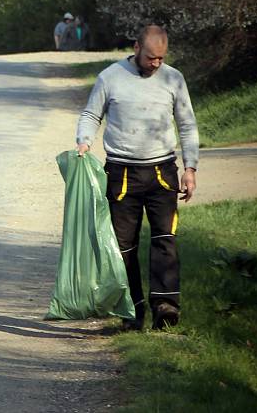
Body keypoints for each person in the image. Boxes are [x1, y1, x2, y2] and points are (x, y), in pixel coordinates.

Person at [75, 24, 199, 330]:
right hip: (122, 175)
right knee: (123, 247)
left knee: (165, 240)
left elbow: (186, 123)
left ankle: (166, 307)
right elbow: (92, 114)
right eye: (150, 58)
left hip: (162, 173)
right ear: (136, 48)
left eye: (160, 58)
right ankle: (132, 311)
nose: (155, 64)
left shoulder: (173, 78)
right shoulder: (110, 77)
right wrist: (84, 140)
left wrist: (190, 168)